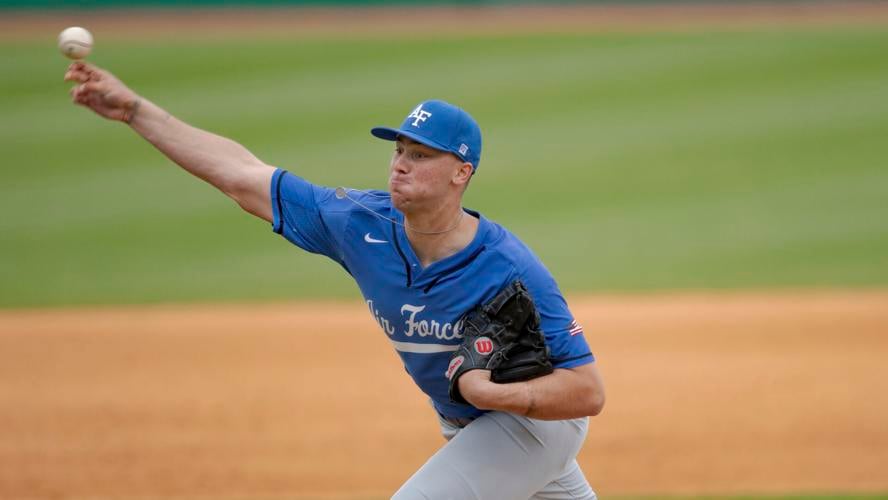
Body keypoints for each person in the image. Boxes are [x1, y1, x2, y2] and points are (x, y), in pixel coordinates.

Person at [64, 61, 606, 500]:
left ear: (461, 173)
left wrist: (499, 394)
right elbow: (240, 173)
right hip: (468, 423)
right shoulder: (358, 223)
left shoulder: (508, 266)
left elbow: (587, 390)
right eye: (398, 150)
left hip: (533, 424)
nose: (400, 165)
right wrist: (136, 111)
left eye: (420, 155)